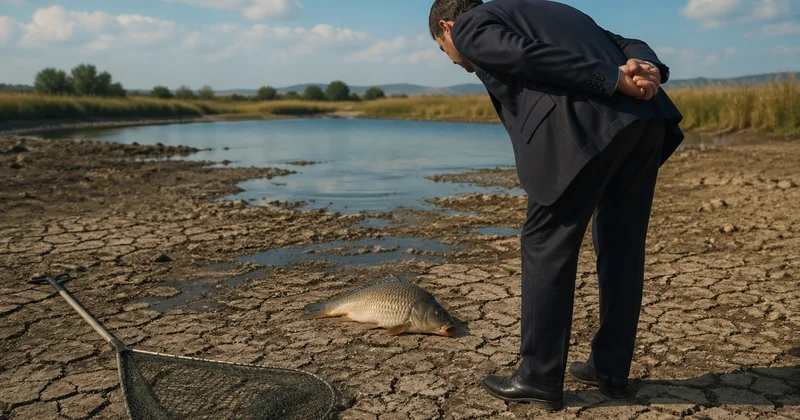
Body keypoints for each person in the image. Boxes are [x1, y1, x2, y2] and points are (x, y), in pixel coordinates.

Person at [428, 0, 684, 410]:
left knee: (545, 247)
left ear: (446, 28)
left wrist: (612, 79)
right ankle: (610, 370)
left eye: (445, 50)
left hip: (585, 131)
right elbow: (627, 42)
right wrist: (646, 68)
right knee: (621, 247)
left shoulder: (472, 23)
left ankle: (539, 377)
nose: (455, 59)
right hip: (646, 123)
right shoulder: (558, 13)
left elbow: (522, 55)